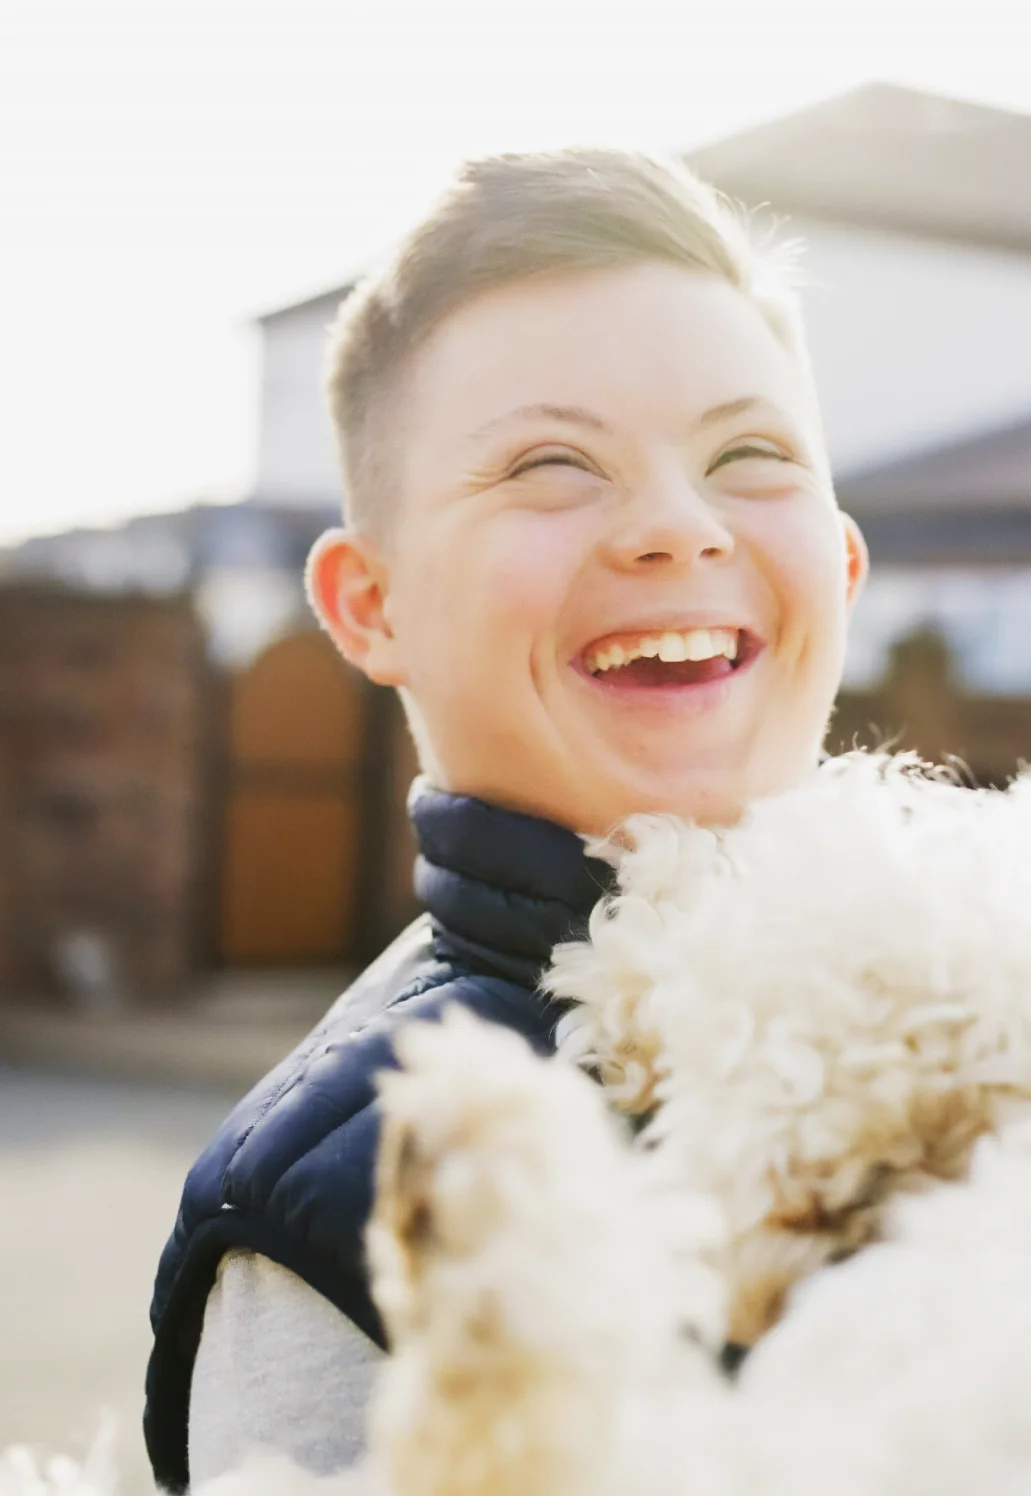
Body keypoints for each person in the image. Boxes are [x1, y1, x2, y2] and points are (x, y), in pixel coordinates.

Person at [144, 147, 869, 1492]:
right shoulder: (365, 1202)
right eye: (550, 462)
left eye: (750, 453)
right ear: (373, 605)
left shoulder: (1002, 1009)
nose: (674, 524)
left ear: (843, 556)